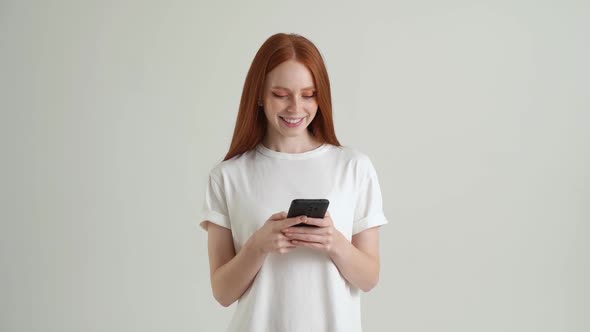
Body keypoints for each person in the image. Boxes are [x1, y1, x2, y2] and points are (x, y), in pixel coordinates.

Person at [199, 32, 388, 332]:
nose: (295, 107)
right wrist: (257, 247)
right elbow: (222, 293)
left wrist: (334, 243)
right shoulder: (228, 176)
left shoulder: (354, 168)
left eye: (308, 94)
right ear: (259, 95)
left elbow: (369, 278)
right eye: (281, 94)